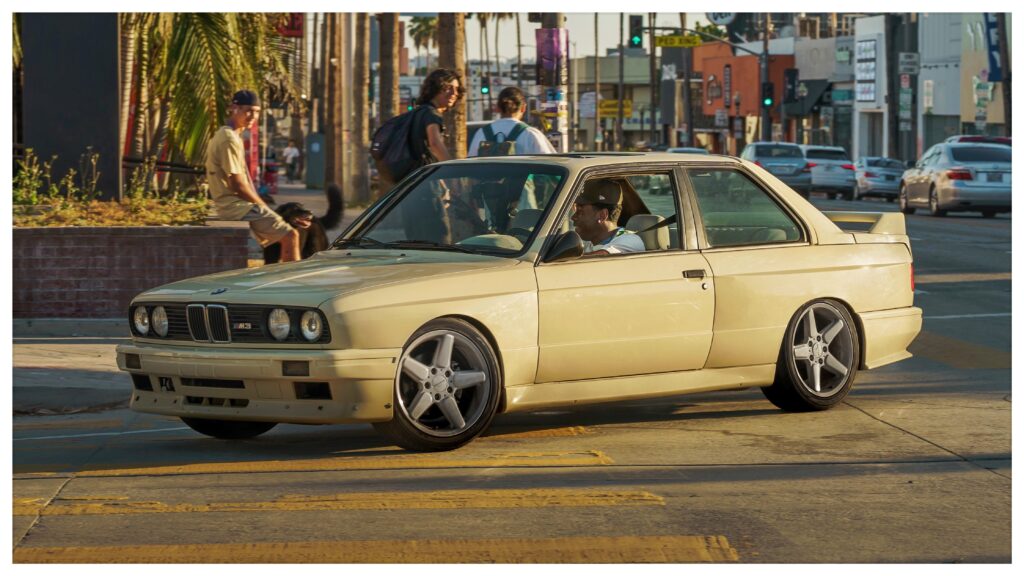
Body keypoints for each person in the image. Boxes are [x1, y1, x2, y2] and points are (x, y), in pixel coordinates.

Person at [205, 90, 300, 262]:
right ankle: (290, 286)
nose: (252, 116)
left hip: (235, 204)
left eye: (256, 111)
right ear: (234, 108)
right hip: (236, 206)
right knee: (291, 236)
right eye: (247, 110)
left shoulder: (229, 135)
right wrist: (263, 205)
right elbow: (237, 184)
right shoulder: (229, 139)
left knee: (280, 236)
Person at [401, 69, 466, 243]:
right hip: (426, 191)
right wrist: (454, 174)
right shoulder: (431, 114)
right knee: (439, 240)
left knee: (416, 245)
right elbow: (435, 143)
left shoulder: (416, 113)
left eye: (456, 89)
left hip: (409, 191)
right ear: (436, 88)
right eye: (449, 88)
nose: (454, 93)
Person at [468, 86, 556, 157]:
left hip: (486, 180)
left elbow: (470, 166)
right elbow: (551, 167)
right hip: (522, 179)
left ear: (497, 108)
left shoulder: (481, 133)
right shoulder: (531, 134)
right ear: (523, 108)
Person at [571, 179, 645, 257]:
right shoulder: (587, 243)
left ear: (602, 215)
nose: (573, 217)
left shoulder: (630, 239)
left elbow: (601, 256)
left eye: (580, 211)